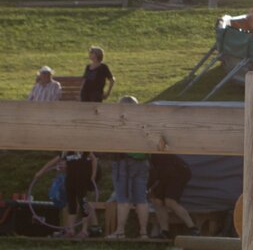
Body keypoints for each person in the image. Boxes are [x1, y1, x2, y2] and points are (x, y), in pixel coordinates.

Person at [107, 96, 152, 238]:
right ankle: (143, 232)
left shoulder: (122, 121)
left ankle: (120, 231)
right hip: (143, 162)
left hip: (124, 163)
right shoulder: (144, 121)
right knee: (141, 199)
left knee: (123, 198)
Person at [35, 150, 97, 236]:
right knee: (71, 205)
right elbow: (52, 162)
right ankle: (71, 230)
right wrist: (40, 172)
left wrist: (93, 175)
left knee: (83, 204)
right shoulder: (66, 152)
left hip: (82, 181)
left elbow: (94, 159)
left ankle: (84, 230)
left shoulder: (84, 150)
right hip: (70, 181)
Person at [148, 153, 196, 238]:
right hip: (164, 173)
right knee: (157, 201)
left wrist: (149, 188)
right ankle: (165, 232)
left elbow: (155, 175)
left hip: (178, 171)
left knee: (170, 202)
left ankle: (193, 229)